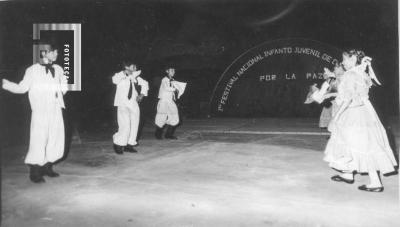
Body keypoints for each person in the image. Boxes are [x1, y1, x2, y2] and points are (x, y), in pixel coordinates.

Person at [323, 49, 397, 192]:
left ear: (353, 60)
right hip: (364, 112)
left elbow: (349, 98)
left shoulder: (351, 74)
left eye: (345, 59)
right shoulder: (361, 72)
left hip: (353, 113)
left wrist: (336, 117)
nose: (343, 62)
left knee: (360, 146)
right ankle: (348, 174)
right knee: (355, 144)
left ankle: (375, 183)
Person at [2, 41, 68, 183]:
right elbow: (22, 88)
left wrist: (61, 90)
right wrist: (6, 85)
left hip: (56, 108)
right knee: (39, 139)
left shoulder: (58, 69)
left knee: (55, 138)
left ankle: (48, 166)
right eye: (54, 51)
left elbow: (63, 84)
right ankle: (35, 171)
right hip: (40, 110)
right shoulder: (32, 70)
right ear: (44, 53)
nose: (57, 54)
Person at [112, 61, 148, 154]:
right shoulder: (119, 76)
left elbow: (145, 84)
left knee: (134, 124)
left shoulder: (135, 77)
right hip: (123, 103)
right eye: (133, 66)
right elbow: (114, 80)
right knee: (125, 125)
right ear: (126, 67)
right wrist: (124, 73)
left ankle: (129, 144)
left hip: (133, 103)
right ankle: (118, 144)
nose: (135, 68)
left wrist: (142, 94)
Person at [154, 66, 186, 140]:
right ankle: (158, 134)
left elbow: (175, 90)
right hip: (163, 101)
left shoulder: (173, 80)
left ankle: (169, 134)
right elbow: (166, 88)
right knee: (161, 118)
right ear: (167, 71)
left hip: (170, 101)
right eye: (171, 70)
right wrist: (175, 89)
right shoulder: (164, 79)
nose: (173, 72)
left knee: (175, 118)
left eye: (174, 71)